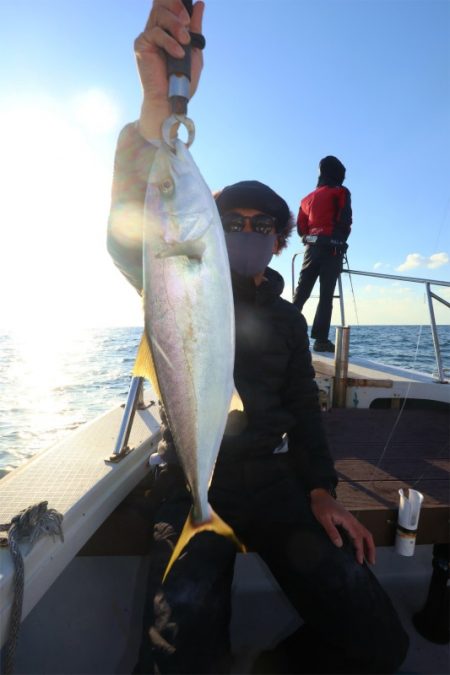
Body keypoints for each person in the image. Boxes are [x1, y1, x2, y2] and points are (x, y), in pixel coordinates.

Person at [107, 1, 408, 673]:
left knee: (380, 640)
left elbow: (305, 410)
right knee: (180, 646)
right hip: (192, 480)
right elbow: (129, 234)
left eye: (259, 225)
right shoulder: (177, 270)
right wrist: (156, 105)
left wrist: (323, 488)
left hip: (275, 480)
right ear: (208, 232)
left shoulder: (289, 320)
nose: (245, 232)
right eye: (231, 222)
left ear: (278, 242)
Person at [293, 156, 352, 353]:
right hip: (332, 248)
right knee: (326, 295)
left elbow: (301, 227)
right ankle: (320, 340)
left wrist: (312, 236)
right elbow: (345, 219)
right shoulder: (340, 192)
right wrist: (341, 239)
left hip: (311, 249)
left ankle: (286, 331)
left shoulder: (306, 199)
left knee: (302, 292)